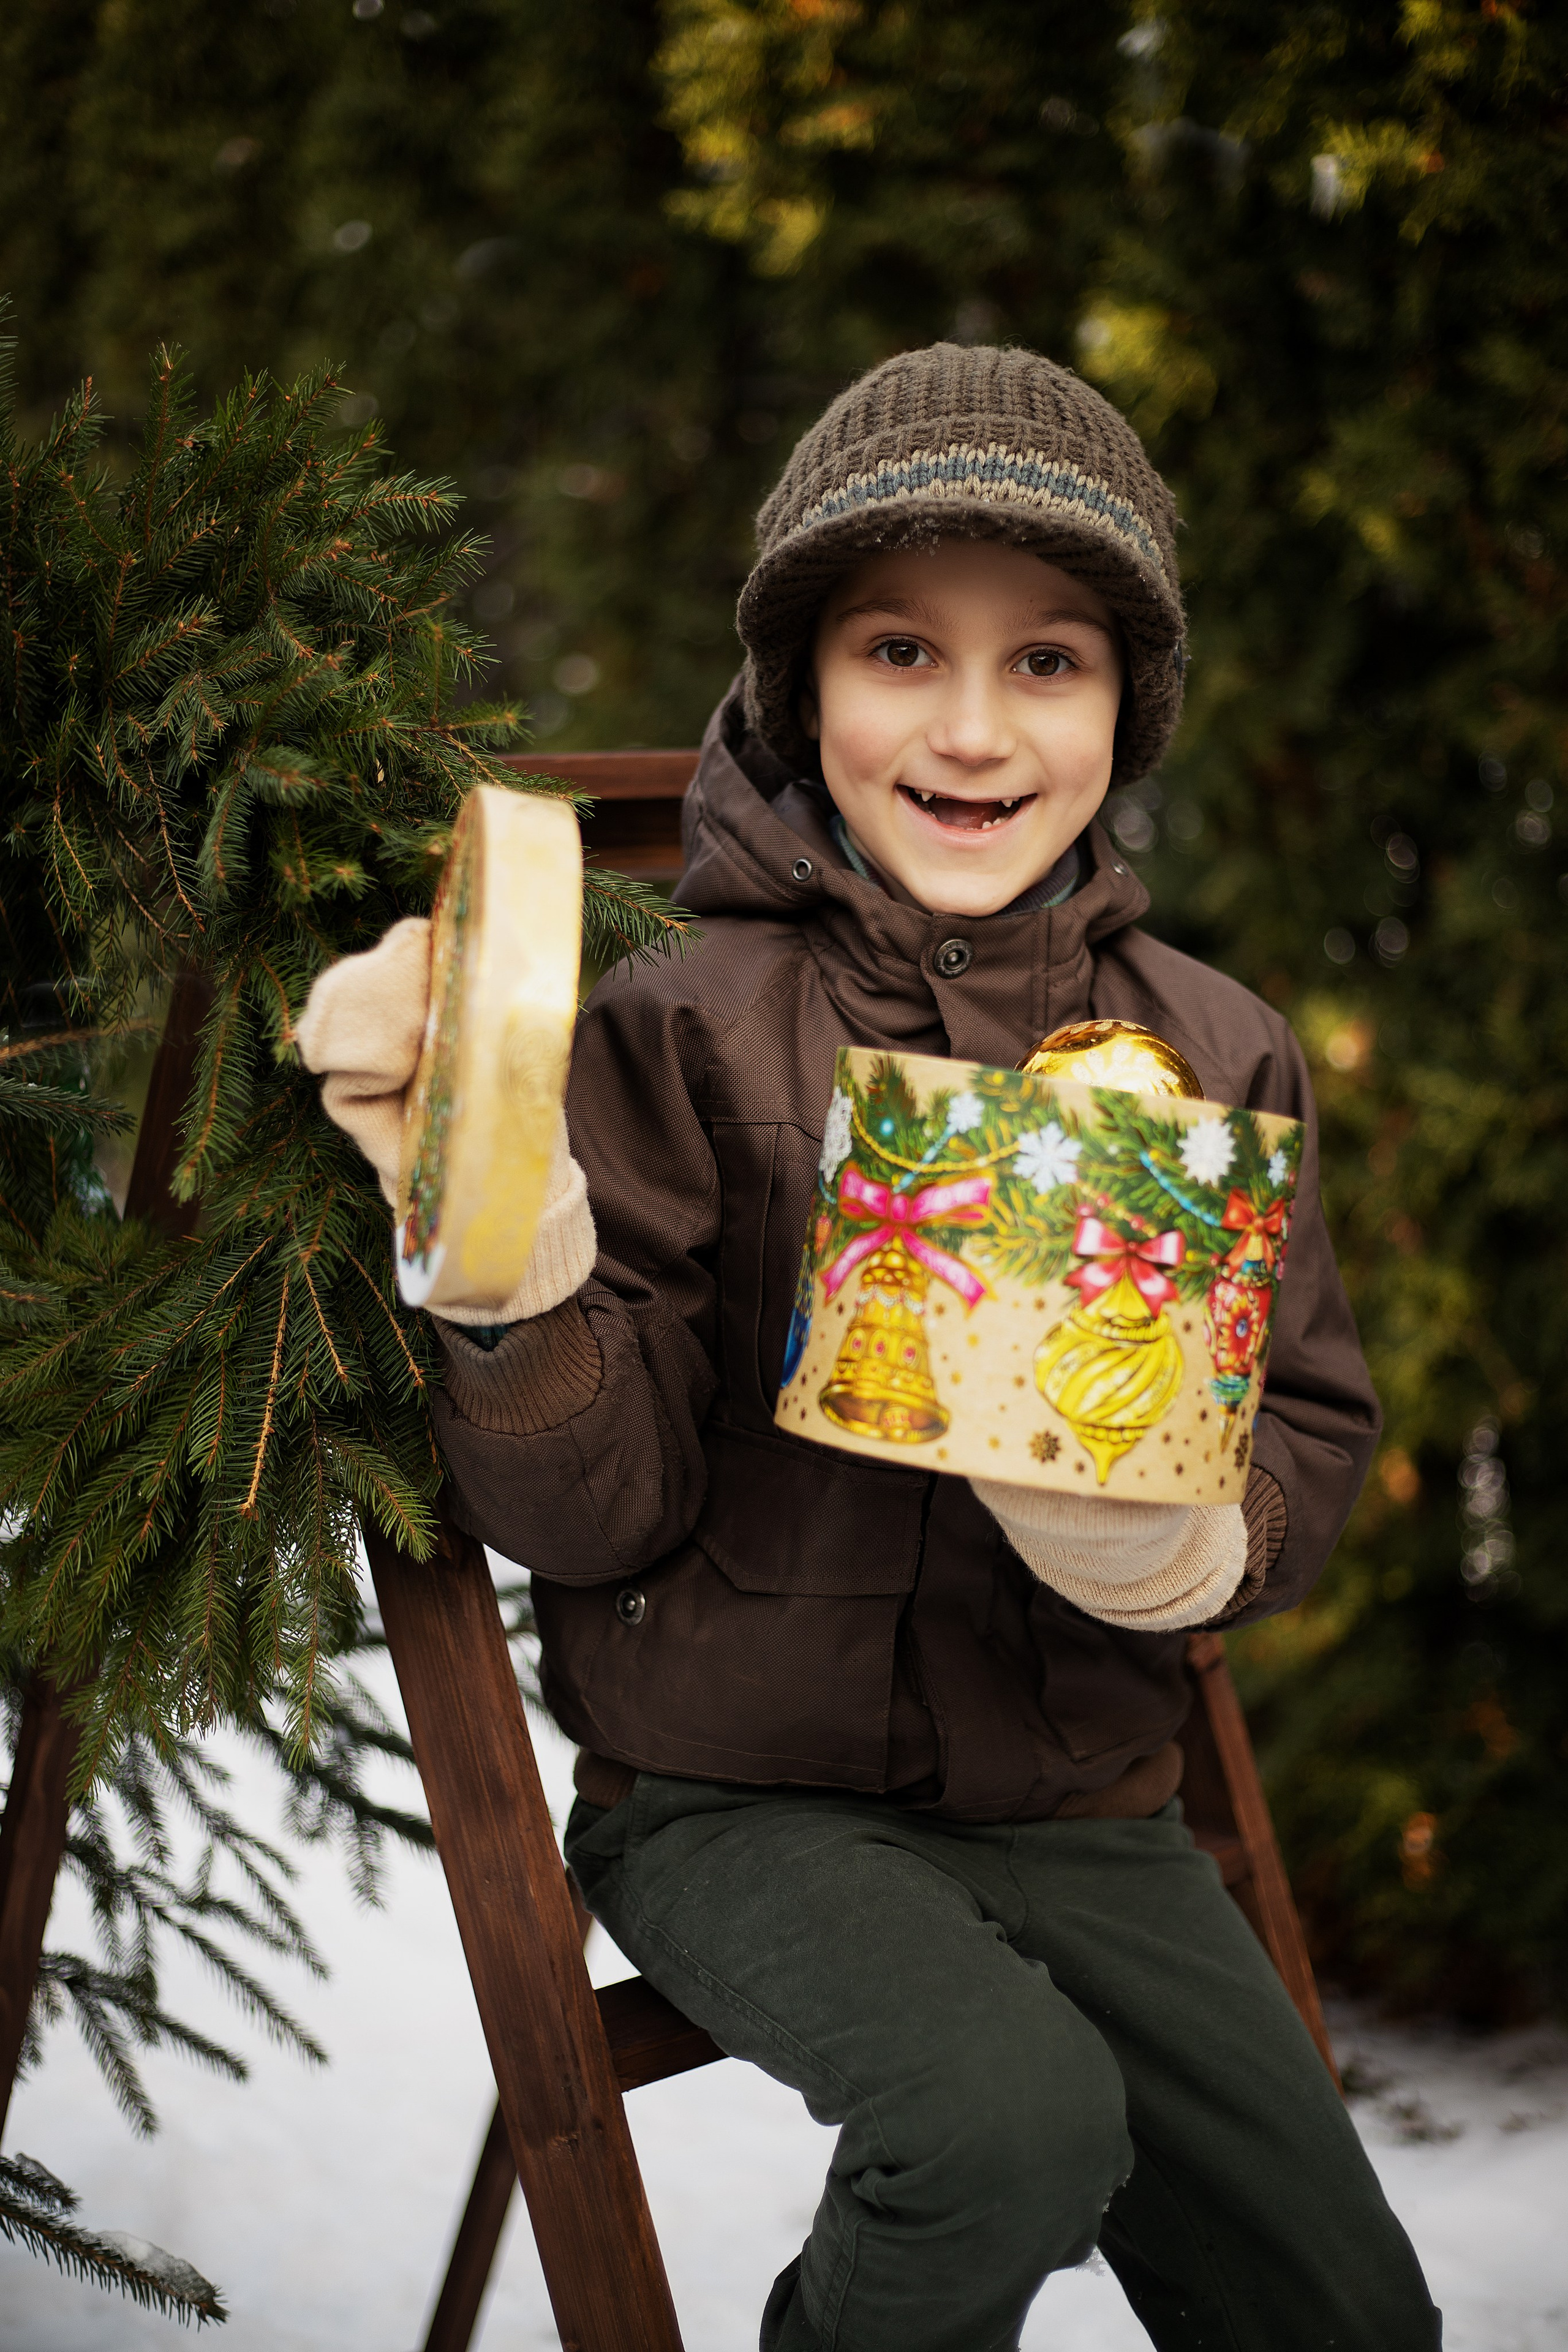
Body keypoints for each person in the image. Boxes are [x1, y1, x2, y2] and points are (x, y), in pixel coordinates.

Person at [297, 344, 1440, 2351]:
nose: (977, 729)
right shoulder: (681, 1025)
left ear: (1127, 703)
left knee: (1344, 2311)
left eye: (1052, 661)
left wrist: (1174, 1541)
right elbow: (592, 1508)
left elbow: (1308, 1423)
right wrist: (512, 1258)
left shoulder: (1210, 1051)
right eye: (903, 650)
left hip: (1084, 1796)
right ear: (799, 686)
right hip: (741, 1798)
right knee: (1006, 2127)